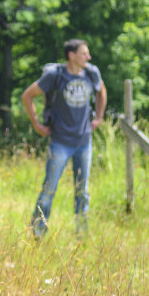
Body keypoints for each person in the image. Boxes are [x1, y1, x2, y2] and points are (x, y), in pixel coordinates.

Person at [21, 39, 106, 237]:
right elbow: (28, 95)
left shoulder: (91, 73)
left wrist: (99, 117)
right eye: (84, 53)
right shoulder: (55, 75)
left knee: (82, 191)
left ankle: (81, 235)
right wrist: (37, 124)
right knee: (49, 189)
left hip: (84, 142)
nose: (88, 57)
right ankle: (37, 233)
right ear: (72, 55)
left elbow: (102, 91)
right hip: (60, 142)